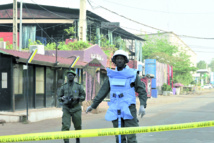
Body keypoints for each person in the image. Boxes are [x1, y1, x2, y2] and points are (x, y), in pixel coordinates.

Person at [86, 50, 147, 143]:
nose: (119, 61)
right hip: (115, 107)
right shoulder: (111, 75)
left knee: (131, 136)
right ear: (114, 61)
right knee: (119, 137)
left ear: (125, 60)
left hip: (129, 108)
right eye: (117, 59)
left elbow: (142, 90)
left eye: (121, 59)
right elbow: (102, 91)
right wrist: (93, 105)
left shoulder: (132, 74)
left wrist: (142, 105)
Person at [58, 70, 86, 143]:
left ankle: (77, 139)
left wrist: (78, 98)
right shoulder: (63, 87)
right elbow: (59, 97)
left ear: (74, 76)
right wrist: (62, 98)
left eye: (71, 75)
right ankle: (66, 141)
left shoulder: (78, 86)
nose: (69, 76)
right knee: (65, 126)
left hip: (76, 108)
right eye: (68, 75)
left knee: (78, 126)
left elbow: (83, 96)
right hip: (66, 108)